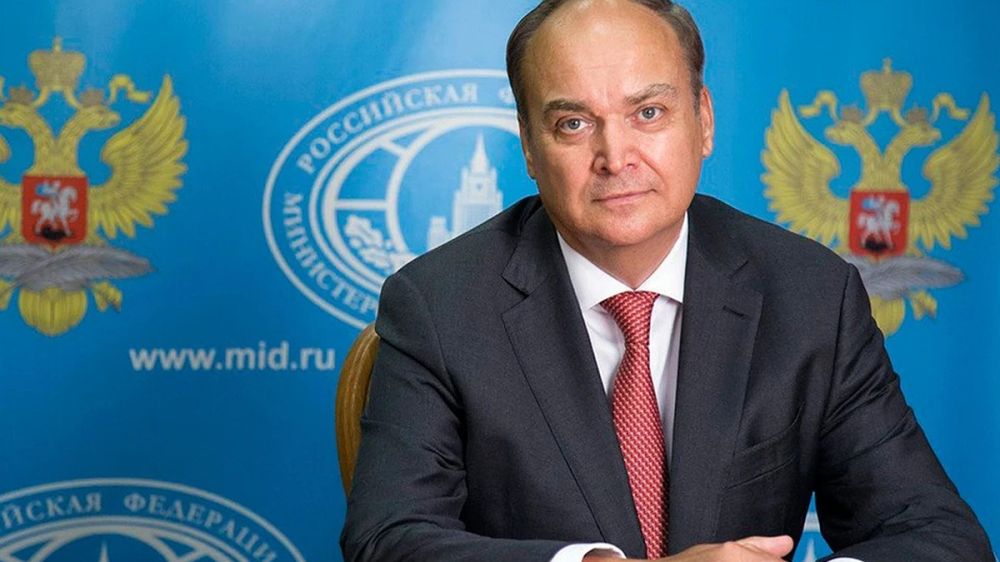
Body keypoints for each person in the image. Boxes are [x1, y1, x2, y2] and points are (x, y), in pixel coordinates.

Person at [340, 0, 993, 560]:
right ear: (530, 147)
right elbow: (388, 539)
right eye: (573, 124)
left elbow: (938, 536)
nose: (615, 157)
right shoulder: (439, 306)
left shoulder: (812, 295)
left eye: (648, 113)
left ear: (703, 121)